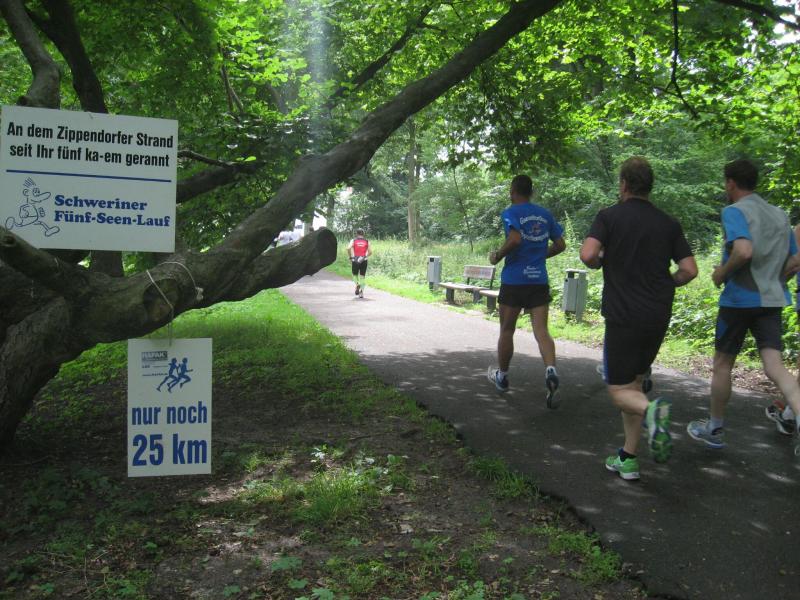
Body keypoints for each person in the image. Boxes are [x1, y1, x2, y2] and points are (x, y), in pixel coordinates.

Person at [580, 157, 697, 481]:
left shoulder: (609, 217)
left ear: (624, 185)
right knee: (634, 383)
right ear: (649, 186)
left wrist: (601, 260)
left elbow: (588, 254)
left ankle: (652, 412)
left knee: (619, 390)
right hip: (657, 315)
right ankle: (628, 458)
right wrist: (665, 284)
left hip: (623, 316)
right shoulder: (668, 223)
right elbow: (689, 270)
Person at [687, 159, 800, 454]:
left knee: (722, 364)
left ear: (731, 183)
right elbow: (795, 260)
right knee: (775, 366)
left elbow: (744, 250)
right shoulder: (779, 215)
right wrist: (775, 278)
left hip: (739, 300)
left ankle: (715, 428)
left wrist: (721, 274)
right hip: (772, 300)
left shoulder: (735, 211)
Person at [487, 174, 566, 408]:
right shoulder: (545, 214)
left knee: (507, 330)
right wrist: (541, 255)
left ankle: (502, 377)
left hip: (514, 281)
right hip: (538, 280)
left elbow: (515, 239)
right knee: (542, 331)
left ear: (513, 191)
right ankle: (550, 370)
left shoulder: (511, 212)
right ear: (531, 192)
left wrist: (497, 255)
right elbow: (561, 245)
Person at [348, 228, 371, 298]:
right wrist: (364, 256)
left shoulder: (353, 240)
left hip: (355, 259)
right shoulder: (367, 241)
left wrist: (350, 257)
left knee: (354, 275)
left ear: (356, 234)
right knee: (362, 276)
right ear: (363, 234)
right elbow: (370, 252)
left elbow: (348, 248)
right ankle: (361, 293)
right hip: (364, 260)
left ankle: (357, 284)